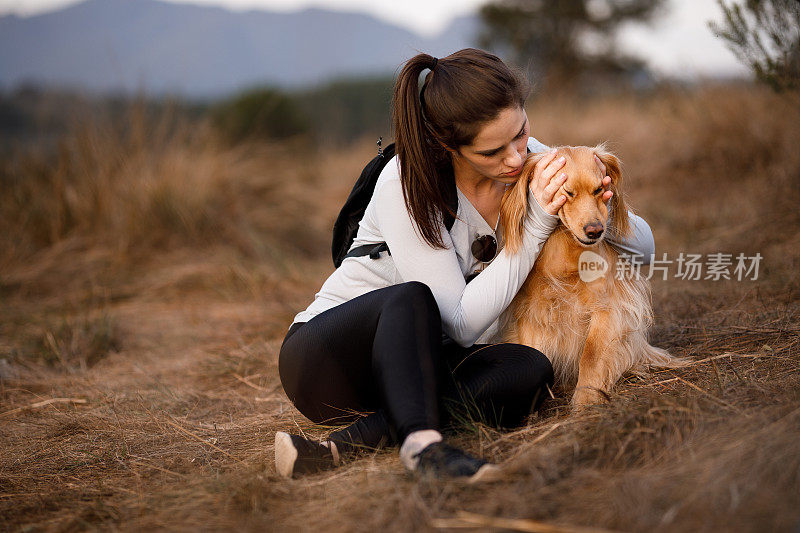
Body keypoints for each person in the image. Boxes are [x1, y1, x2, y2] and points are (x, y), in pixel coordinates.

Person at [274, 49, 655, 481]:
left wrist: (601, 206)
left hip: (424, 365)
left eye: (522, 133)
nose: (517, 157)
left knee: (528, 369)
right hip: (328, 361)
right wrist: (538, 223)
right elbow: (459, 324)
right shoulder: (407, 181)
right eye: (494, 151)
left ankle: (344, 446)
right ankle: (426, 450)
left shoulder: (532, 157)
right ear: (447, 145)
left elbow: (645, 249)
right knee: (413, 298)